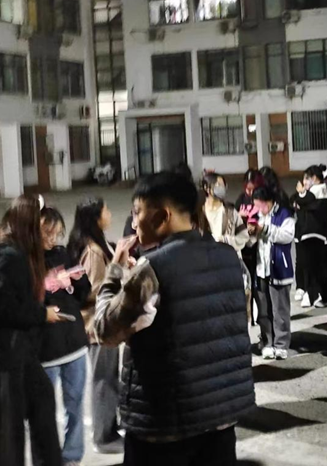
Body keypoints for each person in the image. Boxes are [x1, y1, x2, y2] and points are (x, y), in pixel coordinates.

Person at [92, 172, 255, 465]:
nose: (133, 222)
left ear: (162, 216)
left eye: (138, 212)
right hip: (219, 423)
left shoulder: (152, 269)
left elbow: (105, 330)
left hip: (163, 430)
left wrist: (114, 273)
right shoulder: (229, 258)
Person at [0, 195, 64, 466]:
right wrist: (41, 314)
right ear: (29, 224)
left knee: (42, 398)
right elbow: (1, 306)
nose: (50, 236)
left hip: (17, 350)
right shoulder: (8, 256)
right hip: (2, 354)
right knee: (9, 425)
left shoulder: (18, 253)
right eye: (44, 227)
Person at [67, 196, 121, 454]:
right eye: (106, 211)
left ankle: (109, 428)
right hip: (98, 326)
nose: (109, 214)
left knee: (108, 377)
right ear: (96, 218)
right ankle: (103, 437)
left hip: (99, 324)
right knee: (104, 379)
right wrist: (119, 276)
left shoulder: (94, 245)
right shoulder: (93, 251)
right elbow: (96, 290)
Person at [39, 206, 91, 466]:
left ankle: (71, 456)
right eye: (47, 233)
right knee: (42, 412)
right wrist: (47, 288)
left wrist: (74, 281)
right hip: (45, 351)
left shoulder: (63, 254)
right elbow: (20, 305)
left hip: (74, 344)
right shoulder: (24, 260)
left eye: (56, 233)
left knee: (75, 405)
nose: (52, 239)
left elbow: (84, 293)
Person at [250, 185, 296, 360]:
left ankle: (281, 344)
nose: (258, 209)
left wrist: (265, 229)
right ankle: (267, 342)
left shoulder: (284, 214)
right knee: (263, 310)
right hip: (261, 268)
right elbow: (250, 243)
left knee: (280, 310)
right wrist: (251, 233)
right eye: (255, 205)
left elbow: (287, 236)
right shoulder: (257, 217)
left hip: (279, 269)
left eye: (260, 205)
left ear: (269, 202)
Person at [291, 165, 327, 308]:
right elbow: (295, 200)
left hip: (315, 234)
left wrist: (301, 195)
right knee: (313, 266)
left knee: (313, 267)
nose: (304, 182)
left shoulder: (318, 190)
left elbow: (304, 201)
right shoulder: (315, 192)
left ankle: (314, 294)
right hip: (310, 234)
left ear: (314, 178)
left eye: (307, 178)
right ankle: (318, 295)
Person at [236, 169, 264, 325]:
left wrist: (257, 226)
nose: (250, 192)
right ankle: (249, 315)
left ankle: (262, 314)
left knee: (258, 281)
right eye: (247, 189)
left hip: (258, 243)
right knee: (247, 280)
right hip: (245, 244)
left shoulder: (261, 199)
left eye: (253, 189)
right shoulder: (241, 199)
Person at [201, 172, 250, 256]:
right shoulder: (200, 212)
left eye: (224, 185)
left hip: (229, 259)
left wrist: (226, 240)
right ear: (207, 188)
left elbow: (244, 236)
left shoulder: (230, 211)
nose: (222, 188)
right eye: (218, 185)